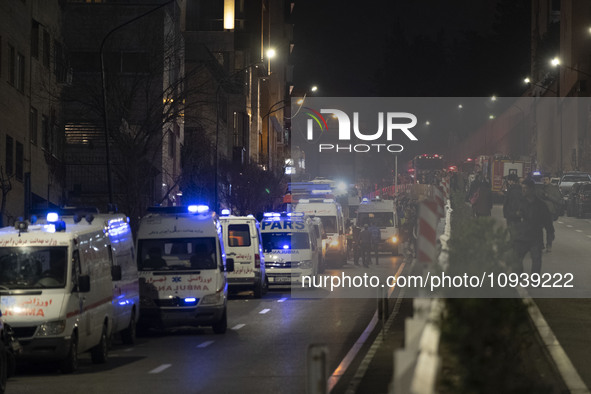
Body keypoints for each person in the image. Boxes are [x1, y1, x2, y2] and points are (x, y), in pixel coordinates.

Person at [507, 178, 554, 275]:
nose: (523, 190)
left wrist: (550, 233)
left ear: (532, 189)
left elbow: (547, 221)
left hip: (535, 236)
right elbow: (509, 214)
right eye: (522, 188)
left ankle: (535, 280)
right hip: (521, 237)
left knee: (536, 259)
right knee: (517, 260)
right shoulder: (519, 202)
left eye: (526, 188)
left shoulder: (540, 205)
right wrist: (516, 214)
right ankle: (517, 277)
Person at [536, 175, 562, 252]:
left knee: (549, 229)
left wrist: (548, 196)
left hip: (549, 211)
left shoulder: (554, 189)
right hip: (539, 212)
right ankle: (540, 245)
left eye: (546, 179)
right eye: (543, 179)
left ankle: (549, 244)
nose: (545, 181)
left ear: (550, 180)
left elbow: (558, 200)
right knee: (538, 229)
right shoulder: (539, 189)